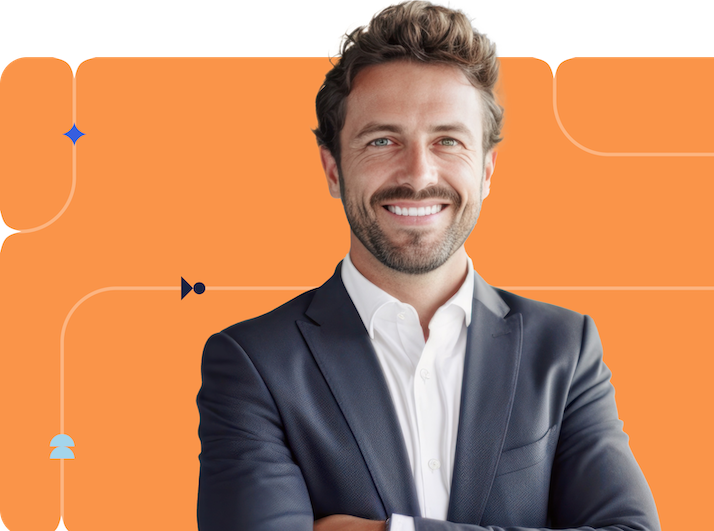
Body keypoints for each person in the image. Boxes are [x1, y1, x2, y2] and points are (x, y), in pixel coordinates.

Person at [196, 1, 660, 530]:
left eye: (447, 141)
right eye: (382, 141)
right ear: (332, 168)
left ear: (486, 170)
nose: (418, 175)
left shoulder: (564, 350)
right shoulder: (254, 363)